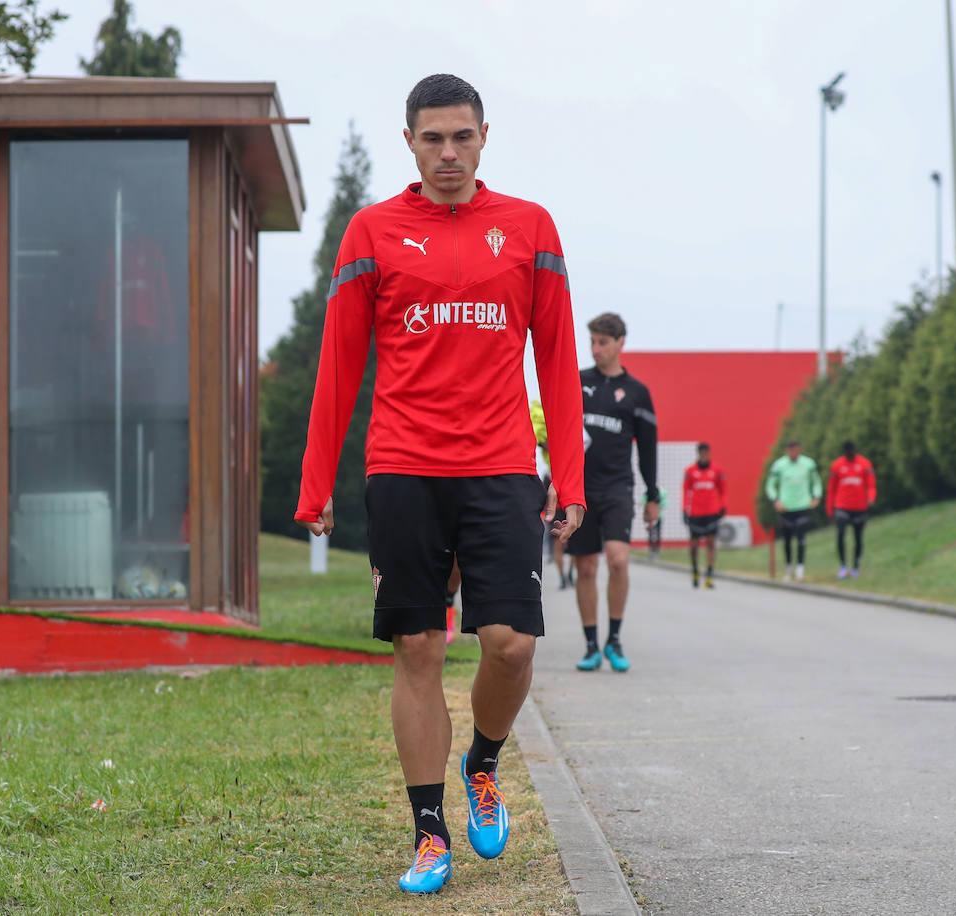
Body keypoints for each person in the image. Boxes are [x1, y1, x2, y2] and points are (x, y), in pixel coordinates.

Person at [294, 74, 586, 896]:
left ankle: (483, 763)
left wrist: (570, 477)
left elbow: (558, 361)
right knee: (417, 647)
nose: (449, 153)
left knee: (511, 644)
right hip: (404, 466)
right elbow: (339, 364)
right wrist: (314, 483)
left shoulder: (529, 229)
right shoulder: (373, 232)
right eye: (434, 139)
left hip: (499, 465)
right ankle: (429, 836)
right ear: (411, 143)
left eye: (462, 137)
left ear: (485, 137)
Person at [567, 312, 659, 673]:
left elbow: (649, 448)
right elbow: (556, 430)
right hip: (580, 487)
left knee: (618, 560)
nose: (596, 349)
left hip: (618, 487)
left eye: (603, 342)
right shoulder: (578, 382)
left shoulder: (637, 393)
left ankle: (614, 638)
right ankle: (591, 644)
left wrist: (653, 496)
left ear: (621, 342)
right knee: (585, 567)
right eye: (592, 342)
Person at [765, 439, 823, 581]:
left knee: (801, 538)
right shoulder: (779, 465)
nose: (794, 453)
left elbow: (816, 482)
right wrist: (775, 500)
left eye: (796, 450)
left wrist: (816, 496)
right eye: (791, 450)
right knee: (787, 540)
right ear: (787, 451)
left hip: (803, 506)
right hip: (786, 507)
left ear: (800, 449)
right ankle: (788, 568)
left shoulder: (808, 464)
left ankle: (800, 569)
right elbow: (770, 485)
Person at [531, 399, 574, 589]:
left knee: (568, 540)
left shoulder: (542, 411)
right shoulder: (539, 412)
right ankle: (565, 576)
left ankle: (568, 575)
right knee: (562, 539)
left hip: (562, 482)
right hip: (558, 481)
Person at [827, 440, 877, 579]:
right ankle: (843, 566)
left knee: (858, 537)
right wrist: (830, 509)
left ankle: (856, 566)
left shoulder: (864, 464)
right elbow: (831, 489)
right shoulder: (837, 465)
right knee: (841, 535)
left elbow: (871, 485)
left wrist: (871, 498)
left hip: (860, 507)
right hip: (842, 506)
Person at [682, 443, 726, 589]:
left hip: (712, 512)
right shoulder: (690, 471)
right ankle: (695, 571)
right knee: (694, 545)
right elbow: (685, 490)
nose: (705, 455)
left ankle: (709, 575)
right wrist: (684, 509)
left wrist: (723, 506)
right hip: (695, 513)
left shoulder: (717, 470)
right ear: (698, 454)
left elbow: (723, 490)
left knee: (711, 543)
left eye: (707, 453)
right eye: (702, 453)